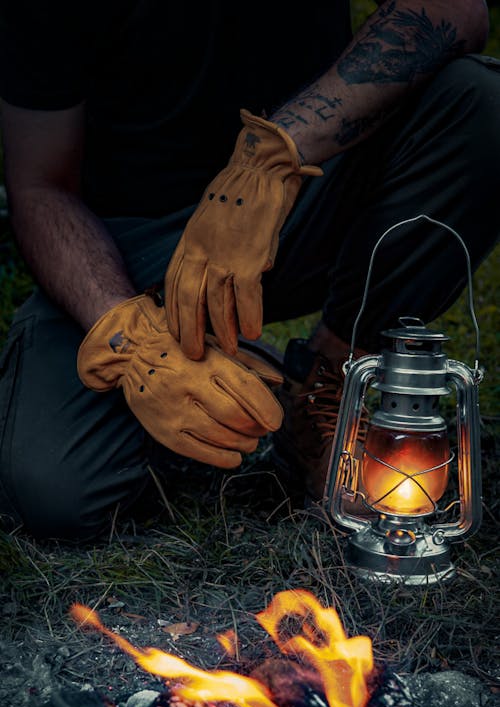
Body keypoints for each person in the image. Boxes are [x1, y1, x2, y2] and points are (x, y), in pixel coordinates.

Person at [0, 0, 498, 541]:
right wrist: (128, 339)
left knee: (482, 104)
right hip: (122, 249)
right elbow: (39, 187)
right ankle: (191, 360)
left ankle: (325, 382)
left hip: (301, 196)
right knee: (50, 491)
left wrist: (273, 155)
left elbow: (455, 10)